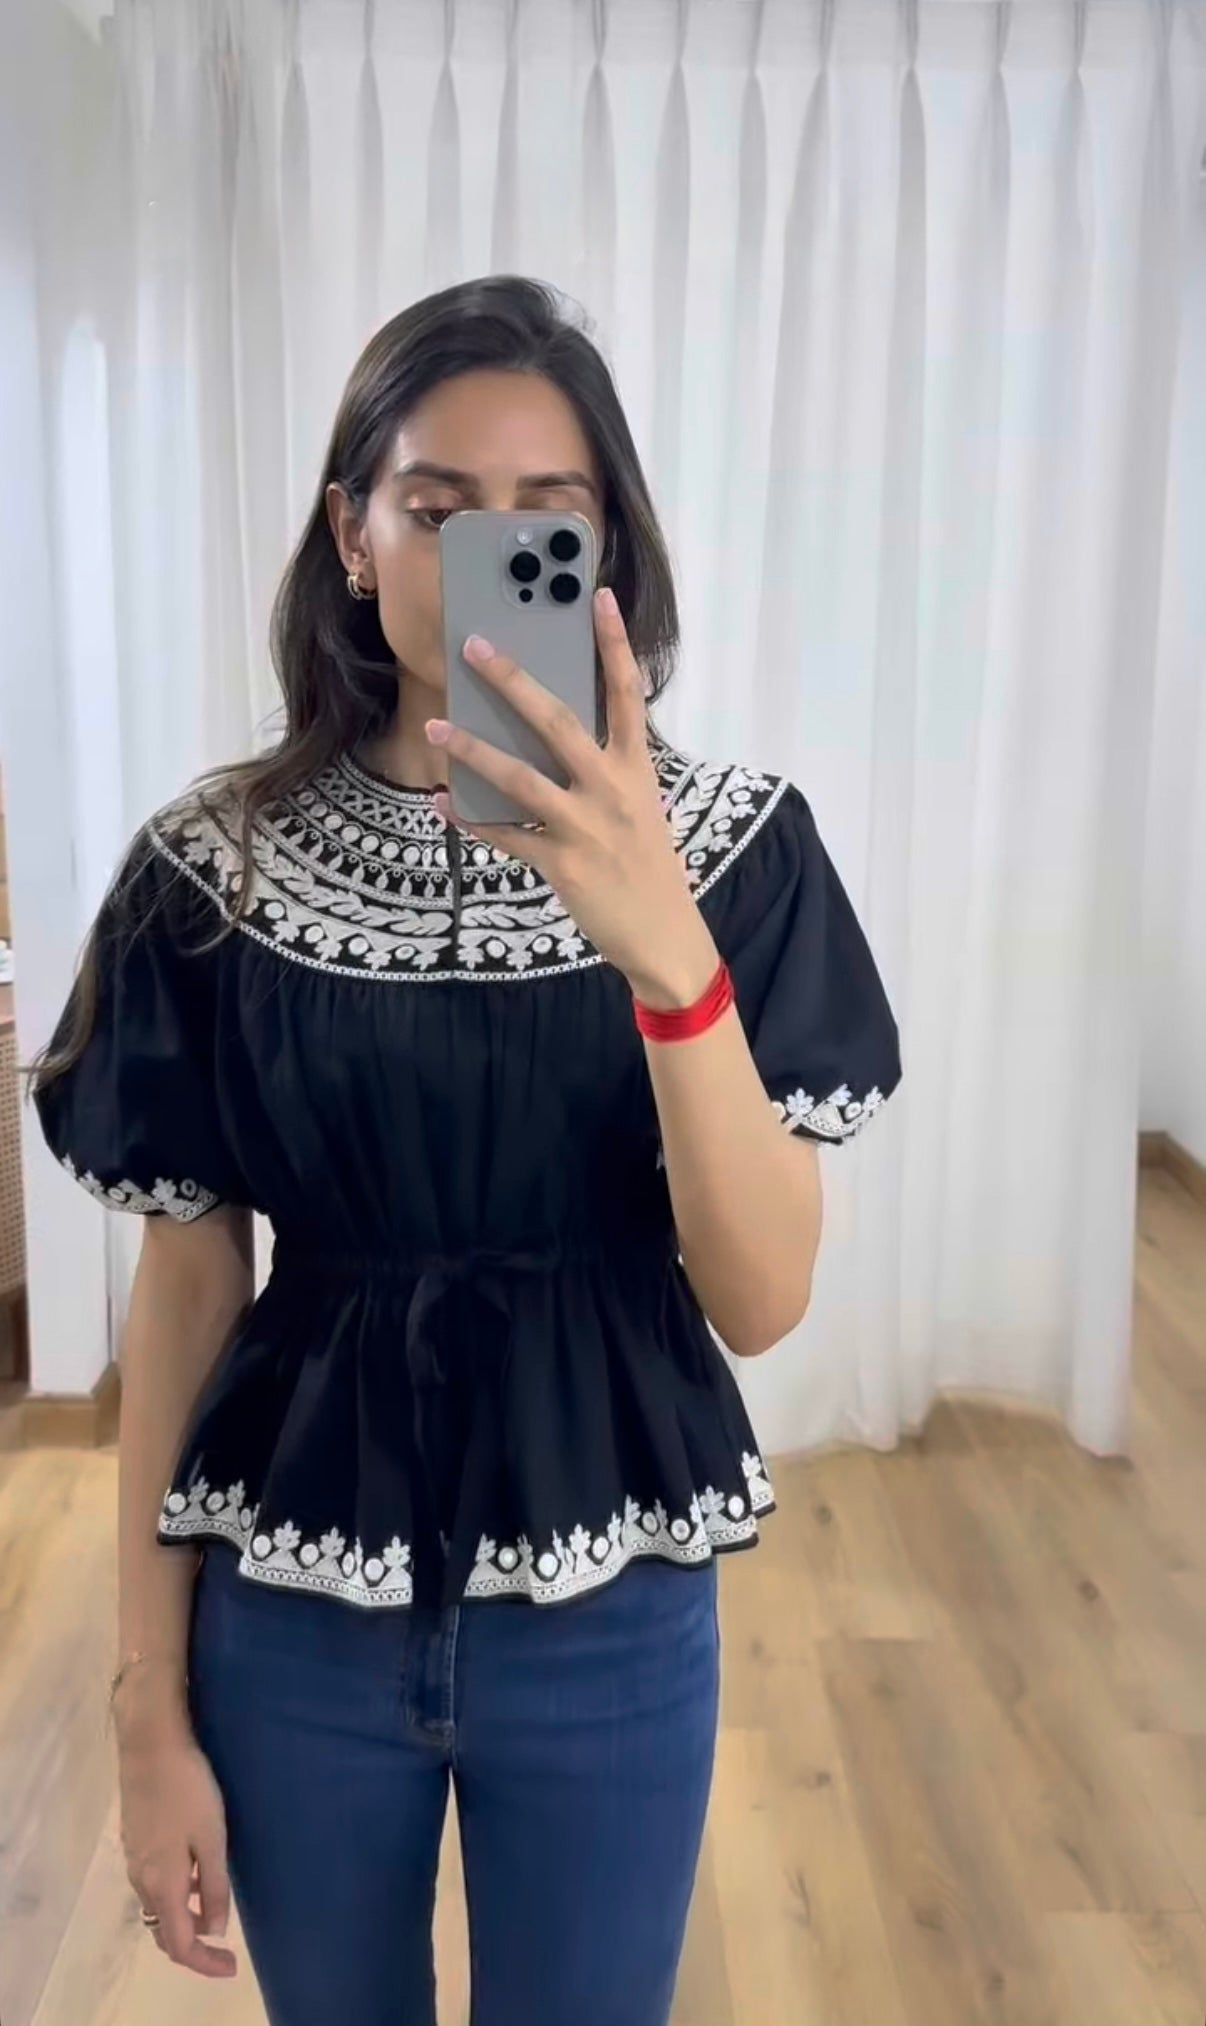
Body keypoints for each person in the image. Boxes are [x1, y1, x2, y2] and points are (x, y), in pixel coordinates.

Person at [32, 275, 901, 2026]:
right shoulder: (212, 866)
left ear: (606, 545)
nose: (485, 551)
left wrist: (662, 948)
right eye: (435, 508)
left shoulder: (736, 850)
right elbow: (187, 1288)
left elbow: (758, 1298)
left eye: (544, 513)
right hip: (293, 1593)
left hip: (607, 1596)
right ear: (351, 537)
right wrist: (144, 1700)